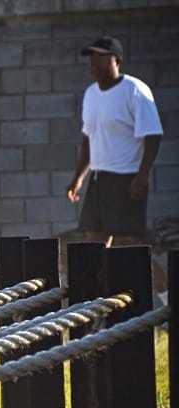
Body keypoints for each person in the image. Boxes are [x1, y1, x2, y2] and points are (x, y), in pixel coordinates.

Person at [63, 35, 164, 290]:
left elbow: (152, 135)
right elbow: (88, 139)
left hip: (127, 178)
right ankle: (101, 300)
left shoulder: (135, 90)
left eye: (99, 57)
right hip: (99, 178)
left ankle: (165, 298)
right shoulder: (91, 95)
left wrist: (143, 175)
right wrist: (78, 177)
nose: (93, 63)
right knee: (94, 241)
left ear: (116, 60)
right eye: (91, 58)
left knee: (130, 246)